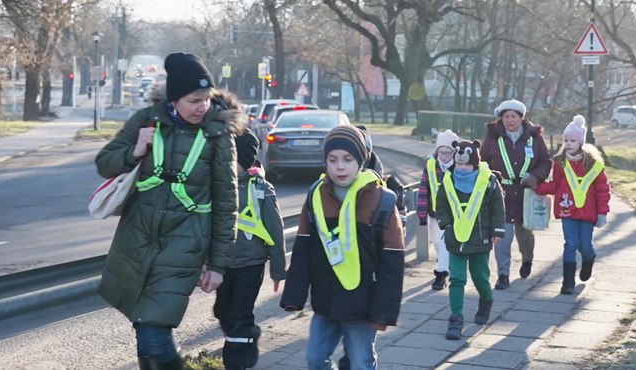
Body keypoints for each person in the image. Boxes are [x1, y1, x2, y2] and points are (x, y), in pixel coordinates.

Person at [95, 52, 244, 370]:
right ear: (175, 99)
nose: (202, 107)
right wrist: (135, 150)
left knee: (155, 333)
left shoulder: (218, 136)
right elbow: (104, 163)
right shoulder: (146, 121)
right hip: (136, 242)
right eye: (194, 100)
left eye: (206, 99)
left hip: (184, 247)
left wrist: (218, 265)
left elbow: (227, 204)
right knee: (143, 328)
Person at [280, 125, 405, 370]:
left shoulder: (382, 200)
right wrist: (293, 296)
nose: (340, 167)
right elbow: (303, 249)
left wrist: (384, 312)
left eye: (348, 159)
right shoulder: (315, 196)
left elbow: (393, 262)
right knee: (315, 358)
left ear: (360, 160)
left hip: (364, 304)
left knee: (361, 363)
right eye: (332, 159)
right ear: (325, 161)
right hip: (326, 301)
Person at [213, 129, 286, 369]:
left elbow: (275, 232)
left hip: (251, 264)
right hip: (223, 265)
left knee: (240, 315)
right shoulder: (215, 188)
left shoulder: (261, 189)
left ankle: (236, 361)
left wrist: (278, 270)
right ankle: (248, 335)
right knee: (223, 311)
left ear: (243, 162)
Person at [435, 139, 505, 340]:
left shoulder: (489, 180)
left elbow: (497, 208)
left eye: (466, 164)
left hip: (480, 238)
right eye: (458, 164)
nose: (462, 168)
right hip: (455, 239)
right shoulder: (448, 180)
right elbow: (441, 205)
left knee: (480, 277)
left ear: (474, 163)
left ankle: (486, 300)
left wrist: (497, 230)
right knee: (457, 279)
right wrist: (446, 225)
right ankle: (456, 318)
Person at [481, 99, 552, 290]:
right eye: (506, 117)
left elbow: (546, 162)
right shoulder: (492, 137)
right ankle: (502, 274)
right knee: (502, 237)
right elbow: (482, 162)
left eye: (514, 116)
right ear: (501, 119)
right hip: (501, 196)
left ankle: (527, 259)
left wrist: (536, 176)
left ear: (521, 118)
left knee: (525, 235)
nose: (510, 120)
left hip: (525, 195)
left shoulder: (534, 138)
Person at [534, 115, 610, 294]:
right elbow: (556, 184)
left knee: (585, 245)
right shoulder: (560, 162)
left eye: (572, 140)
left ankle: (588, 260)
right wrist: (538, 187)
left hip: (588, 212)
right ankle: (567, 283)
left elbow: (602, 190)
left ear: (581, 142)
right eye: (566, 140)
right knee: (570, 244)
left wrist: (602, 213)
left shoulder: (593, 164)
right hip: (567, 210)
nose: (568, 143)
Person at [417, 129, 459, 290]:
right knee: (436, 242)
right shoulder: (430, 165)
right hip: (435, 214)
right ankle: (445, 262)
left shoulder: (460, 166)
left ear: (454, 152)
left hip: (454, 214)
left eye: (448, 152)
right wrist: (421, 214)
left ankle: (441, 275)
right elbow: (423, 190)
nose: (445, 155)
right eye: (442, 152)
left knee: (443, 243)